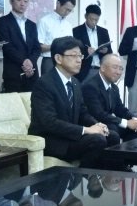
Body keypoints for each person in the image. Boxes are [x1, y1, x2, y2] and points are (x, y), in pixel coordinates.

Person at [28, 36, 119, 168]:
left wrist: (97, 125)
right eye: (73, 55)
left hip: (69, 136)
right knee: (97, 140)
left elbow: (82, 113)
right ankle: (84, 176)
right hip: (51, 140)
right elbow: (49, 122)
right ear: (58, 58)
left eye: (80, 56)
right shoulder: (44, 84)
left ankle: (106, 174)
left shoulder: (75, 83)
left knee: (112, 135)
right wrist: (86, 130)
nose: (79, 60)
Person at [81, 54, 137, 141]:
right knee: (113, 130)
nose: (118, 72)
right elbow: (98, 114)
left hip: (109, 122)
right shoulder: (90, 86)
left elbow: (120, 109)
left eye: (121, 68)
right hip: (94, 124)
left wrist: (135, 119)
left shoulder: (114, 87)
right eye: (115, 67)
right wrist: (126, 123)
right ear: (103, 68)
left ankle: (129, 150)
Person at [0, 0, 41, 92]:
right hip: (13, 72)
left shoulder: (32, 25)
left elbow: (37, 48)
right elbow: (7, 46)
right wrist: (24, 61)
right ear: (11, 1)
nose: (22, 4)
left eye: (25, 1)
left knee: (32, 101)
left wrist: (30, 62)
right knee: (13, 101)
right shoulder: (2, 22)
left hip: (32, 72)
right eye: (19, 0)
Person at [37, 0, 76, 76]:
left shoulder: (68, 25)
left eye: (70, 11)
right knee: (48, 83)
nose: (67, 12)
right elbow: (39, 47)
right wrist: (57, 46)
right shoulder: (44, 21)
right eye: (66, 9)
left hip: (66, 60)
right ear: (58, 4)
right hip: (49, 60)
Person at [72, 4, 113, 81]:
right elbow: (73, 51)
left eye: (96, 20)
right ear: (85, 16)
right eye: (91, 19)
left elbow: (110, 52)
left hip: (101, 70)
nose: (94, 22)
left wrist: (106, 51)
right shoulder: (76, 31)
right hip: (84, 71)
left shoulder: (103, 32)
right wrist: (86, 51)